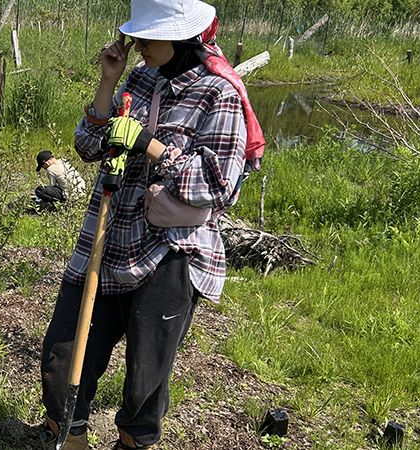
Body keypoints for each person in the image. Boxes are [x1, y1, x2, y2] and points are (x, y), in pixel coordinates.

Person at [39, 0, 265, 448]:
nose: (139, 43)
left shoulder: (217, 94)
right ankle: (70, 436)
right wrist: (108, 81)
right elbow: (87, 145)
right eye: (138, 34)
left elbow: (218, 185)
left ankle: (133, 441)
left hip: (169, 251)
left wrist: (150, 145)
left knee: (146, 376)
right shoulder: (141, 77)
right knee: (62, 354)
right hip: (108, 235)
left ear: (181, 37)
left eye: (149, 35)